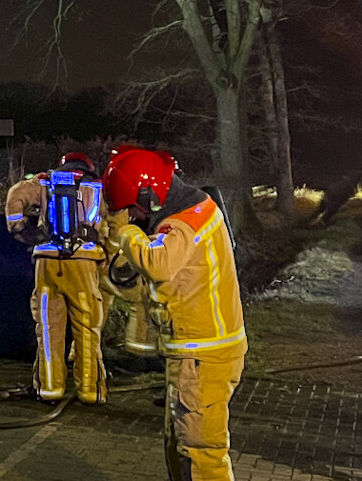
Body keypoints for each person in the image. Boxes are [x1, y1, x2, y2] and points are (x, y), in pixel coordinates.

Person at [105, 147, 246, 481]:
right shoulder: (193, 208)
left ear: (148, 196)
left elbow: (159, 264)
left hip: (202, 355)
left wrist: (125, 233)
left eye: (132, 209)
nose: (133, 215)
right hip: (197, 354)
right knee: (180, 443)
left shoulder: (181, 225)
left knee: (201, 453)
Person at [5, 151, 110, 404]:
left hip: (48, 264)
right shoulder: (98, 187)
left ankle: (49, 389)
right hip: (84, 264)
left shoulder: (44, 181)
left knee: (48, 329)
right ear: (88, 167)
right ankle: (91, 392)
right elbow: (117, 221)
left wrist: (20, 229)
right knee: (87, 330)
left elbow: (14, 196)